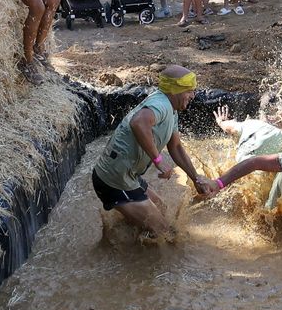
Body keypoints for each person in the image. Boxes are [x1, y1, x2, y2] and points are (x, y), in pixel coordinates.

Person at [91, 67, 215, 238]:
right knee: (165, 234)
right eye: (190, 90)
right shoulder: (161, 104)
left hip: (127, 176)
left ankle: (122, 237)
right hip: (115, 180)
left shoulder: (172, 109)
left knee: (161, 210)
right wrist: (158, 160)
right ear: (175, 90)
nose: (193, 95)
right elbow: (138, 122)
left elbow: (176, 147)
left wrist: (196, 179)